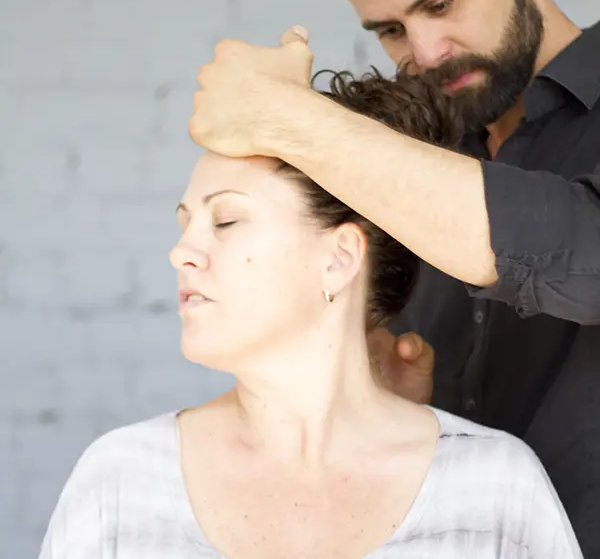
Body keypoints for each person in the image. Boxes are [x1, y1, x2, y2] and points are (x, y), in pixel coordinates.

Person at [187, 0, 600, 556]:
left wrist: (287, 118)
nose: (427, 51)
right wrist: (395, 409)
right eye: (390, 30)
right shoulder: (412, 166)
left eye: (441, 2)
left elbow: (587, 253)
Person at [39, 68, 581, 558]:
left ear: (338, 259)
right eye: (185, 223)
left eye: (225, 221)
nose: (181, 252)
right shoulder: (120, 480)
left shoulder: (495, 491)